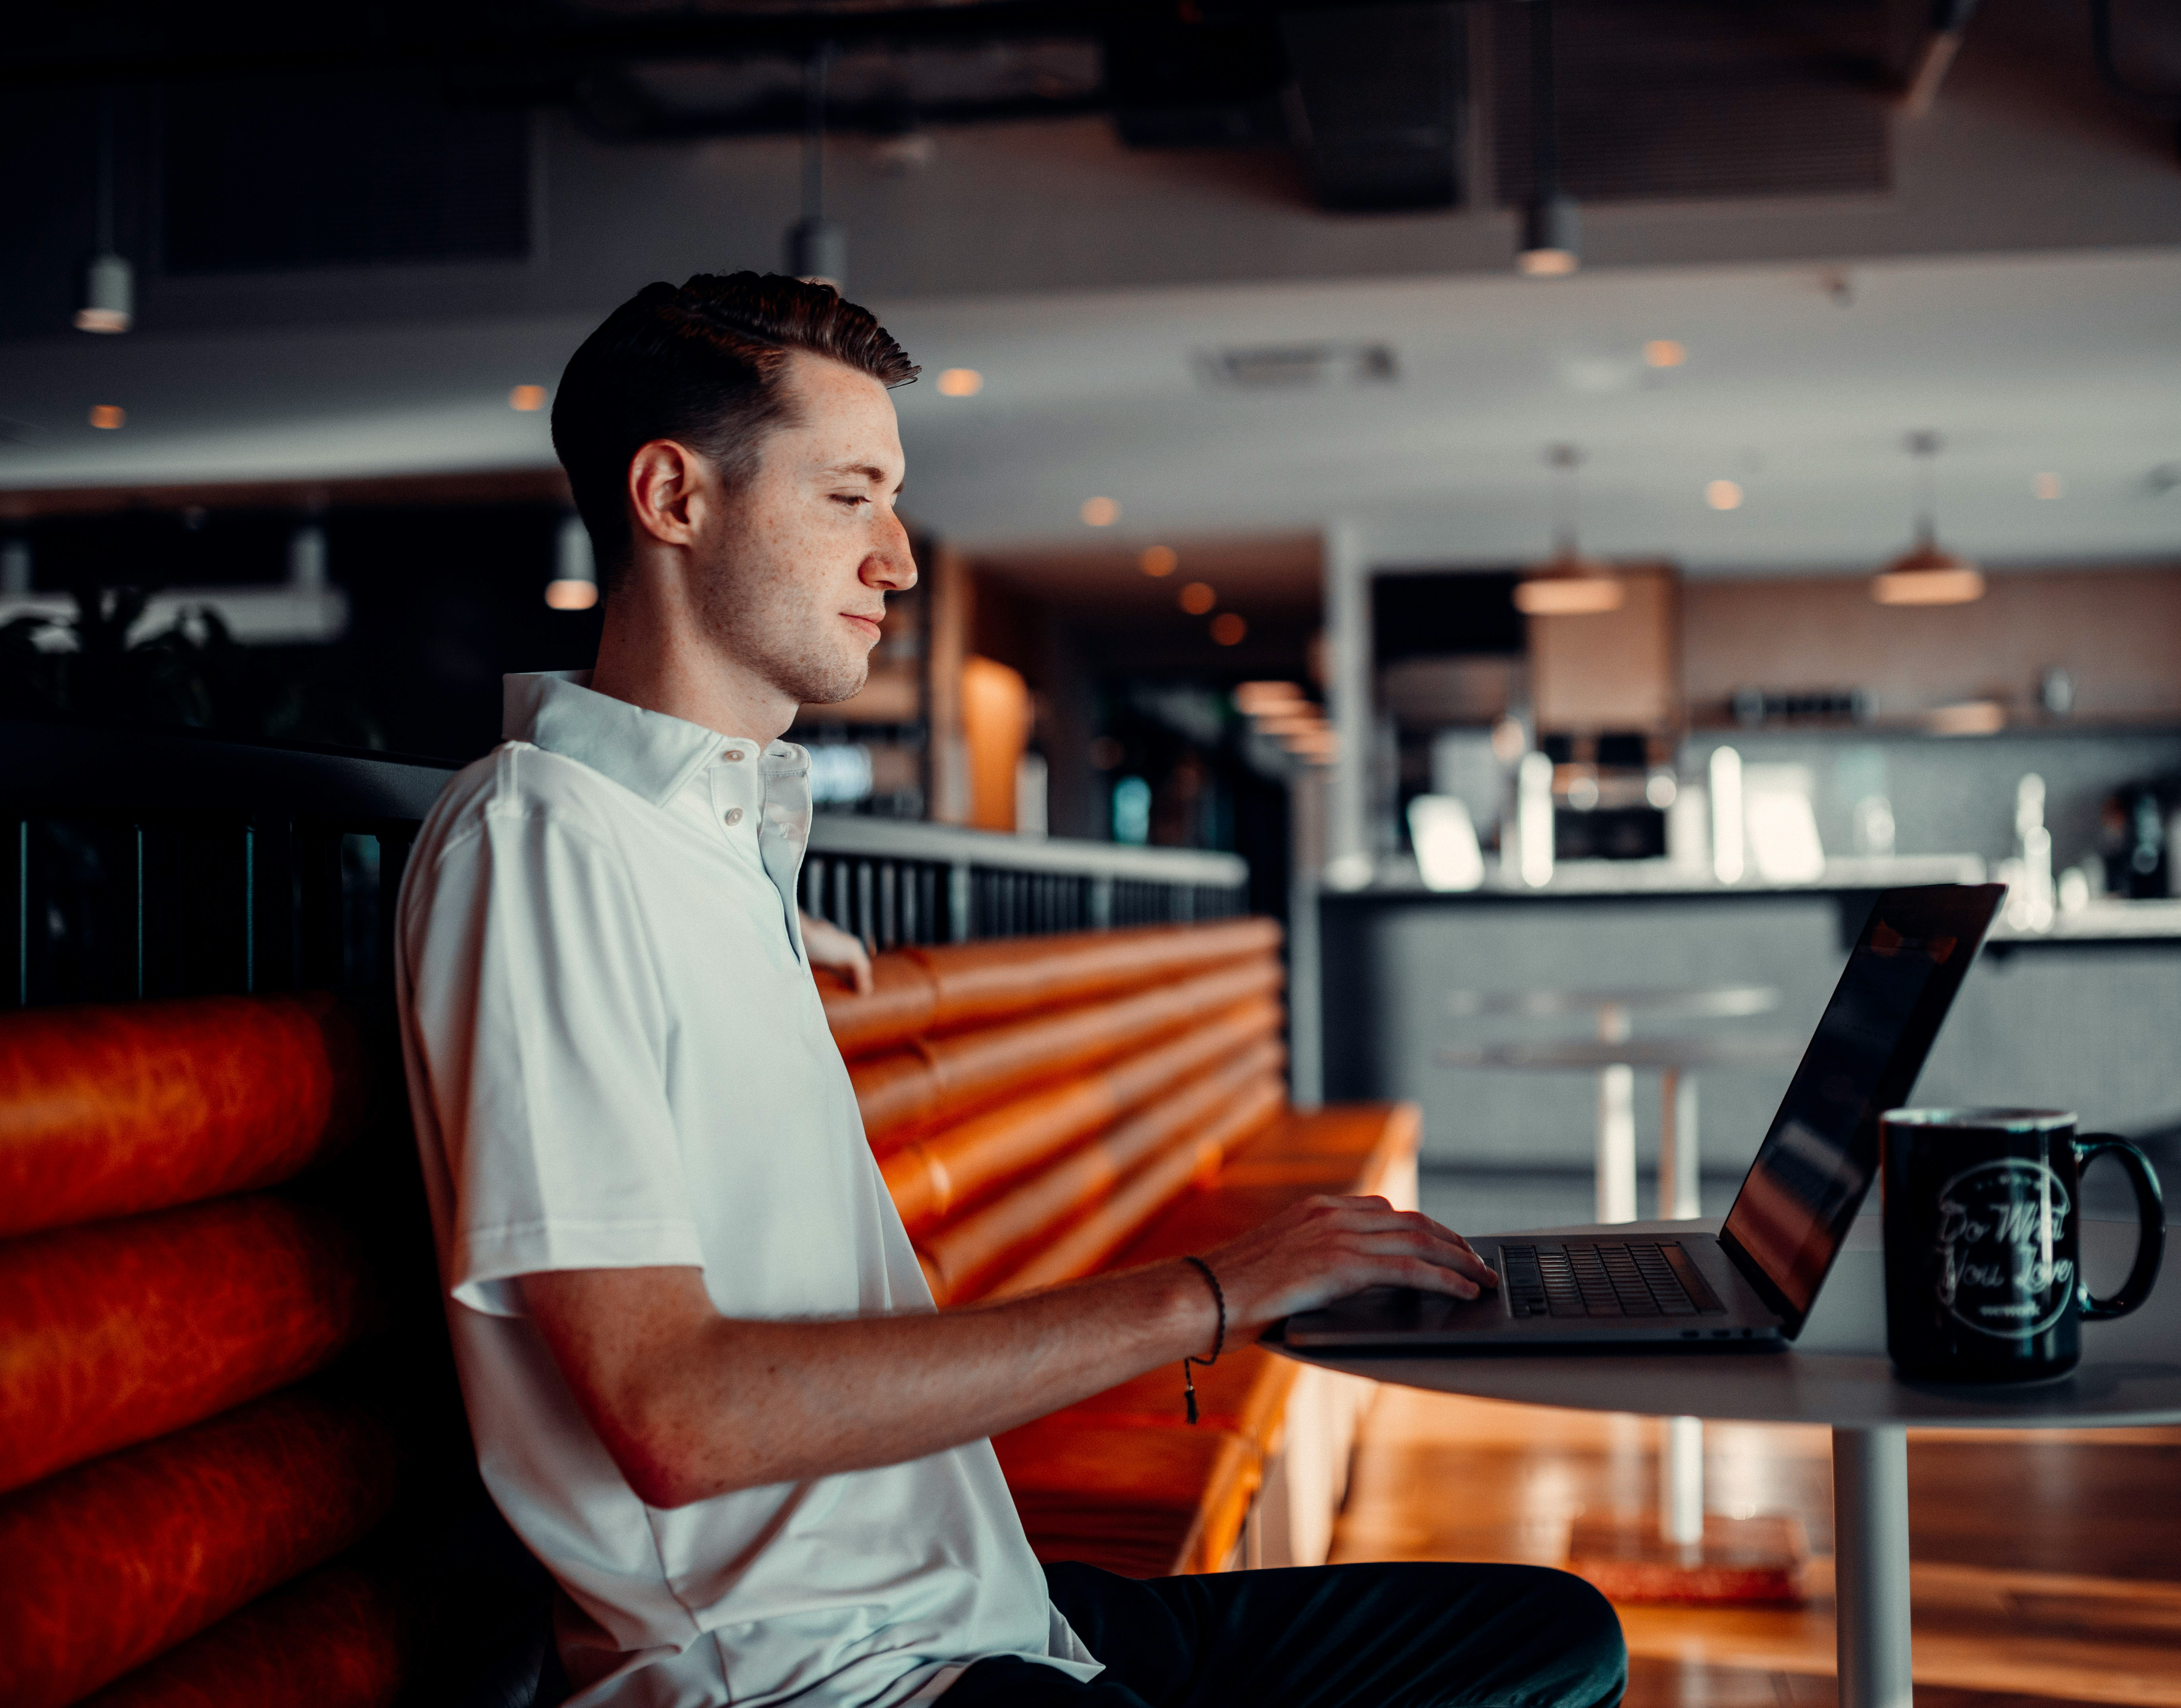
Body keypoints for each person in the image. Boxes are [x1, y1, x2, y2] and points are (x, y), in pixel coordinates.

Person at [394, 272, 1625, 1708]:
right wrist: (1213, 1294)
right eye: (851, 496)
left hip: (989, 1600)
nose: (900, 559)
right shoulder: (540, 843)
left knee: (1553, 1636)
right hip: (826, 1679)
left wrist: (793, 924)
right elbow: (679, 1416)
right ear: (674, 497)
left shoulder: (706, 846)